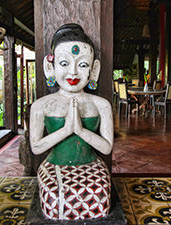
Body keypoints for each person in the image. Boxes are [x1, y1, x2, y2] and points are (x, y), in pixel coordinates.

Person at [29, 23, 113, 221]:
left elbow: (107, 148)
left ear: (94, 69)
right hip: (55, 165)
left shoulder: (101, 105)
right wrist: (67, 130)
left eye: (82, 64)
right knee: (55, 198)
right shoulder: (42, 106)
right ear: (50, 67)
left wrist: (81, 131)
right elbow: (36, 147)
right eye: (64, 63)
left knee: (100, 193)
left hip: (91, 164)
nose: (73, 73)